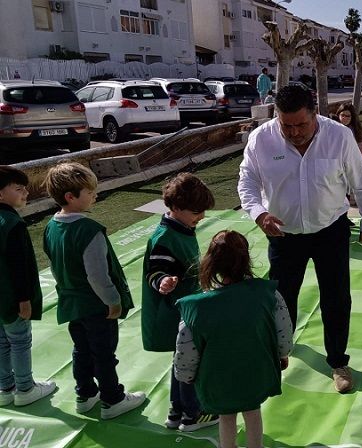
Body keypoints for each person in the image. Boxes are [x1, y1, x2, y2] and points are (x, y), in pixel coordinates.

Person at [237, 84, 362, 393]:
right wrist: (259, 213)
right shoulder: (261, 139)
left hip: (331, 230)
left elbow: (361, 181)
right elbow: (247, 180)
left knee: (336, 298)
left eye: (301, 124)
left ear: (315, 114)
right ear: (277, 117)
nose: (295, 132)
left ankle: (338, 361)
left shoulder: (339, 136)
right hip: (283, 234)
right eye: (287, 126)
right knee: (282, 297)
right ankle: (279, 352)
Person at [42, 162, 146, 419]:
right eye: (89, 192)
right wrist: (113, 300)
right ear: (70, 196)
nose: (95, 196)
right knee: (103, 353)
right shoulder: (89, 231)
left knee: (81, 350)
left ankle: (85, 394)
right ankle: (113, 399)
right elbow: (97, 275)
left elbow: (54, 266)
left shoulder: (51, 227)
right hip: (96, 305)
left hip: (72, 303)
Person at [175, 230, 293, 448]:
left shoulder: (196, 308)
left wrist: (185, 375)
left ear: (210, 262)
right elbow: (283, 330)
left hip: (217, 380)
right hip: (256, 373)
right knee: (253, 411)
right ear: (246, 259)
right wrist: (283, 354)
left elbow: (186, 348)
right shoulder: (268, 293)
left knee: (226, 416)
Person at [141, 173, 217, 432]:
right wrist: (163, 281)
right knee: (190, 362)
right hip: (178, 312)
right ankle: (193, 413)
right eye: (196, 212)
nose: (201, 217)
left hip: (186, 307)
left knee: (182, 361)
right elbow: (156, 270)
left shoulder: (182, 228)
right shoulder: (165, 238)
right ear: (175, 207)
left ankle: (177, 410)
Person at [0, 166, 56, 407]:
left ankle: (5, 388)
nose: (25, 193)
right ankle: (25, 388)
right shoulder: (12, 224)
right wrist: (24, 300)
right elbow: (19, 266)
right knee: (20, 341)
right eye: (18, 189)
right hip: (13, 298)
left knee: (2, 342)